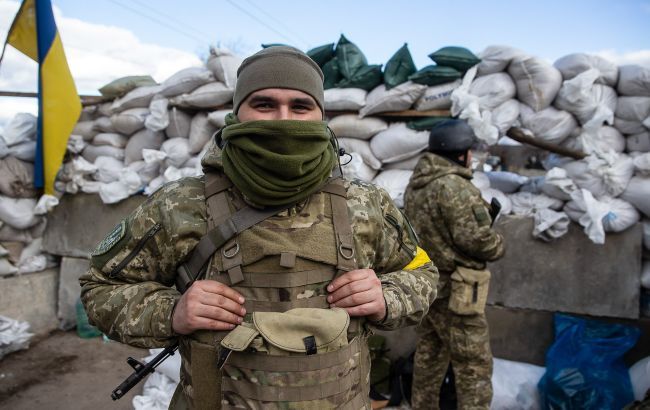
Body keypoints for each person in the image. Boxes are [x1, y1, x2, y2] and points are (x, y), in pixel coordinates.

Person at [80, 46, 438, 409]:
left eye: (300, 106)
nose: (283, 119)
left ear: (321, 116)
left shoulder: (365, 202)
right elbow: (100, 288)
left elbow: (421, 273)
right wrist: (171, 312)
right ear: (237, 113)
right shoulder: (181, 203)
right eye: (264, 104)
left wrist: (386, 297)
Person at [404, 119, 505, 410]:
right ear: (461, 153)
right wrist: (499, 243)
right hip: (456, 292)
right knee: (473, 365)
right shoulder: (455, 187)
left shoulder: (416, 184)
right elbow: (478, 241)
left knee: (429, 355)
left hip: (427, 285)